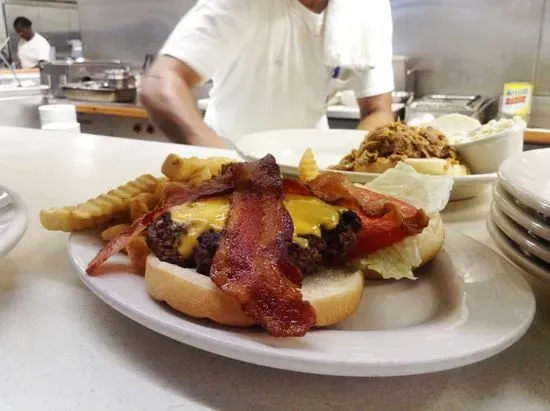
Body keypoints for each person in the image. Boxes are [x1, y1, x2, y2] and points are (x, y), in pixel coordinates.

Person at [141, 0, 395, 148]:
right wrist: (218, 159)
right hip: (231, 158)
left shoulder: (366, 8)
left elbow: (378, 111)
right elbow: (162, 81)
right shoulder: (242, 4)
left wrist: (348, 161)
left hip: (311, 171)